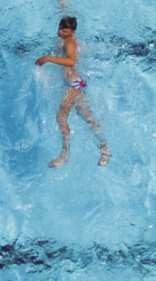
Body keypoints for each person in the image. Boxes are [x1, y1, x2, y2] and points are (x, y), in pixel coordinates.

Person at [36, 14, 109, 167]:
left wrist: (48, 58)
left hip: (73, 84)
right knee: (87, 117)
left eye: (64, 30)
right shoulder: (68, 40)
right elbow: (65, 9)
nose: (60, 32)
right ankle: (105, 149)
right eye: (60, 28)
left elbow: (71, 61)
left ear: (72, 31)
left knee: (61, 117)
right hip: (76, 83)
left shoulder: (70, 42)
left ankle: (65, 154)